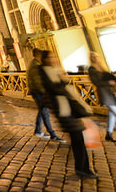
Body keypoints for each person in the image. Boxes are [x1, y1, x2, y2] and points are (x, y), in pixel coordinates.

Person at [39, 50, 96, 179]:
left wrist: (63, 80)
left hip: (69, 107)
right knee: (77, 138)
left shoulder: (55, 70)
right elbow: (53, 89)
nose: (53, 59)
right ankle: (83, 169)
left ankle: (83, 168)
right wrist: (62, 81)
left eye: (53, 57)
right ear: (45, 59)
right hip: (63, 109)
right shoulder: (44, 72)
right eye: (50, 57)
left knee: (78, 139)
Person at [26, 48, 62, 141]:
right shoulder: (36, 66)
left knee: (42, 110)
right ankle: (52, 133)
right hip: (38, 92)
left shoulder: (34, 64)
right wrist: (46, 93)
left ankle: (38, 130)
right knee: (45, 112)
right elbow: (37, 82)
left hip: (36, 91)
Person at [88, 52, 116, 142]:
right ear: (91, 59)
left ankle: (109, 134)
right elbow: (96, 82)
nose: (94, 58)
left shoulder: (103, 68)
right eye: (92, 57)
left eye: (96, 56)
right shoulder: (91, 69)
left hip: (110, 92)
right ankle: (109, 133)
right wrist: (108, 82)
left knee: (112, 113)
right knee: (115, 111)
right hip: (103, 93)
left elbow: (111, 77)